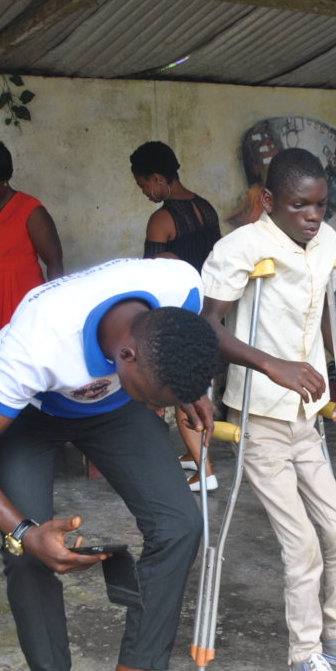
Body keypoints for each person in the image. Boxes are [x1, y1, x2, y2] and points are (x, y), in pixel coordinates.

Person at [0, 257, 219, 671]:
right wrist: (22, 530)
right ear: (126, 355)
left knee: (180, 524)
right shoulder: (38, 344)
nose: (165, 409)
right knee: (26, 555)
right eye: (158, 399)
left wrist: (191, 387)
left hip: (113, 405)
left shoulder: (179, 285)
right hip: (28, 414)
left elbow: (198, 336)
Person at [201, 148, 336, 671]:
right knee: (302, 544)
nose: (312, 215)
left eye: (320, 205)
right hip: (260, 418)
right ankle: (303, 655)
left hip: (307, 417)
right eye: (298, 205)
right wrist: (270, 363)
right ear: (267, 202)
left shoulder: (327, 243)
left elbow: (330, 317)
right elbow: (206, 326)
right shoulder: (240, 248)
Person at [131, 140, 221, 491]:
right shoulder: (205, 207)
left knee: (184, 393)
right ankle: (195, 453)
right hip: (211, 308)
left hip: (179, 312)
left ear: (157, 178)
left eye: (143, 185)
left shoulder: (162, 219)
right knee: (203, 385)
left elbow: (151, 274)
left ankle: (206, 471)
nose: (144, 193)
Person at [0, 140, 64, 383]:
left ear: (4, 177)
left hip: (21, 304)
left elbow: (54, 263)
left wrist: (56, 312)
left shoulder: (30, 210)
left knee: (22, 371)